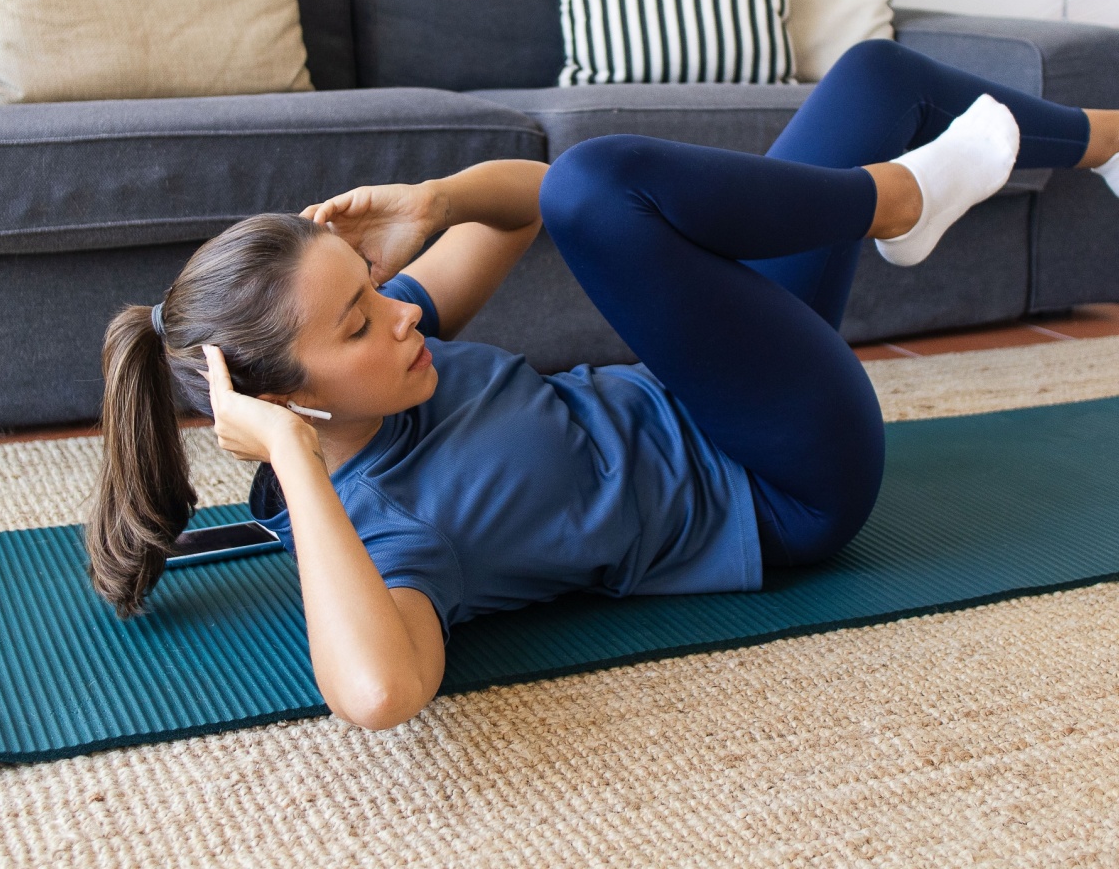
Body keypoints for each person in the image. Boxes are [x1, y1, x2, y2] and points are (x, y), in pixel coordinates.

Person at [86, 40, 1119, 731]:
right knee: (600, 183)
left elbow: (532, 208)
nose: (400, 310)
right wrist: (297, 467)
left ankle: (1108, 140)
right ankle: (892, 203)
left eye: (373, 288)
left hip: (712, 377)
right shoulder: (386, 530)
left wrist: (436, 200)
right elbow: (378, 692)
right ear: (291, 403)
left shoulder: (401, 359)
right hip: (779, 480)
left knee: (876, 78)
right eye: (359, 319)